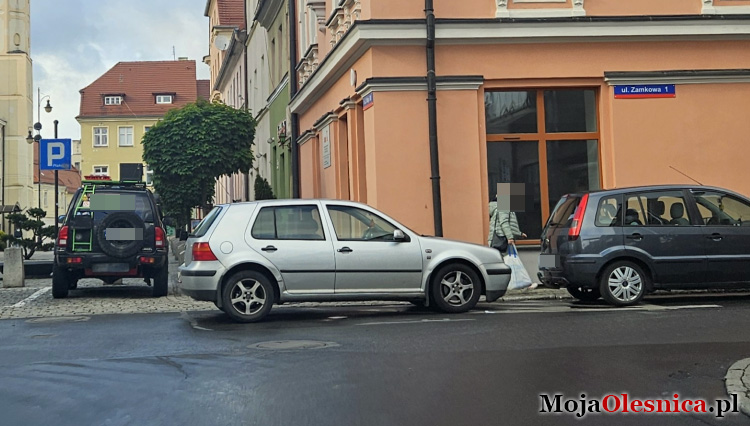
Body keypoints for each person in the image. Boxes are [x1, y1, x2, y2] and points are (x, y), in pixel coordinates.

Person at [488, 196, 538, 289]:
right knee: (512, 261)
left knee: (505, 263)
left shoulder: (499, 206)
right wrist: (510, 237)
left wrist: (519, 233)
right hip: (502, 239)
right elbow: (504, 223)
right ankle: (524, 283)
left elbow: (508, 223)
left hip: (499, 238)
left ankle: (511, 284)